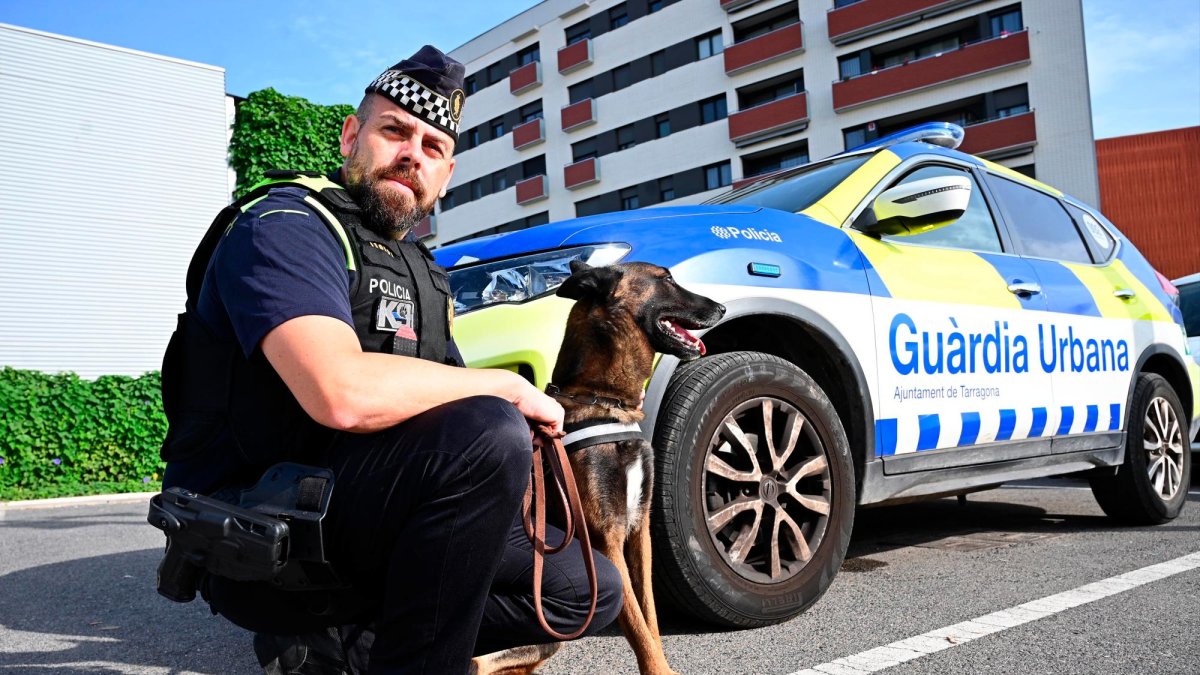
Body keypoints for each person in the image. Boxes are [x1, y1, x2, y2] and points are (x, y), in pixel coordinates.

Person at [157, 45, 622, 674]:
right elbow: (341, 392)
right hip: (266, 523)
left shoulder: (424, 274)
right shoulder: (286, 226)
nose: (412, 155)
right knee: (488, 428)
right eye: (395, 132)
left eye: (432, 147)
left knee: (583, 590)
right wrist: (509, 389)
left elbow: (447, 405)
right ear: (352, 136)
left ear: (446, 174)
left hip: (371, 508)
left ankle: (348, 644)